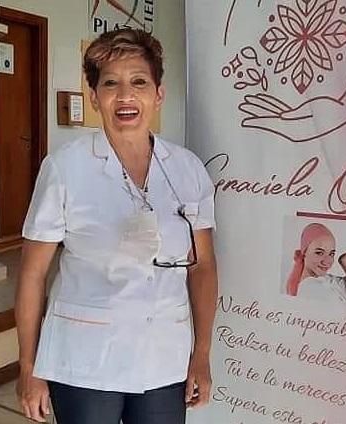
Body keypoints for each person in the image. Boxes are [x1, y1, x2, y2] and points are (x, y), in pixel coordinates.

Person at [14, 28, 218, 424]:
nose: (125, 96)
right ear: (94, 97)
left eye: (139, 82)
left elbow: (203, 266)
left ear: (158, 94)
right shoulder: (65, 168)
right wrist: (28, 366)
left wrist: (203, 353)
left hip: (164, 355)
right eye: (110, 83)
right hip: (85, 356)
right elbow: (32, 274)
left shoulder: (187, 169)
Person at [285, 223, 346, 311]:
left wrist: (345, 263)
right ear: (304, 252)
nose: (327, 262)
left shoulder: (323, 279)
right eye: (319, 253)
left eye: (331, 254)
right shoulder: (313, 291)